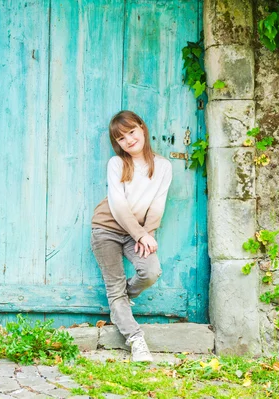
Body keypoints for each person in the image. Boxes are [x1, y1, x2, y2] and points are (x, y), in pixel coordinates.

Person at [91, 110, 173, 362]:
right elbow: (117, 205)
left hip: (135, 233)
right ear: (117, 144)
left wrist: (148, 233)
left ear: (142, 128)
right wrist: (140, 234)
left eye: (131, 132)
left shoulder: (163, 166)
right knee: (114, 289)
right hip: (106, 229)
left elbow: (158, 204)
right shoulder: (117, 164)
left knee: (150, 271)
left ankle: (121, 303)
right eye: (121, 138)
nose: (128, 140)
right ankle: (136, 340)